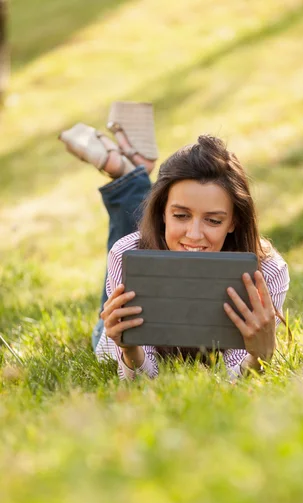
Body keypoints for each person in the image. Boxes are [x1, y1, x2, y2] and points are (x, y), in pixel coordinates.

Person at [59, 120, 290, 380]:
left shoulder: (267, 270)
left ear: (233, 221)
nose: (194, 235)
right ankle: (128, 173)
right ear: (163, 214)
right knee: (129, 244)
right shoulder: (126, 254)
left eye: (213, 220)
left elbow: (237, 377)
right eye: (180, 215)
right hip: (116, 327)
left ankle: (130, 171)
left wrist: (259, 357)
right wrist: (129, 347)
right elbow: (140, 380)